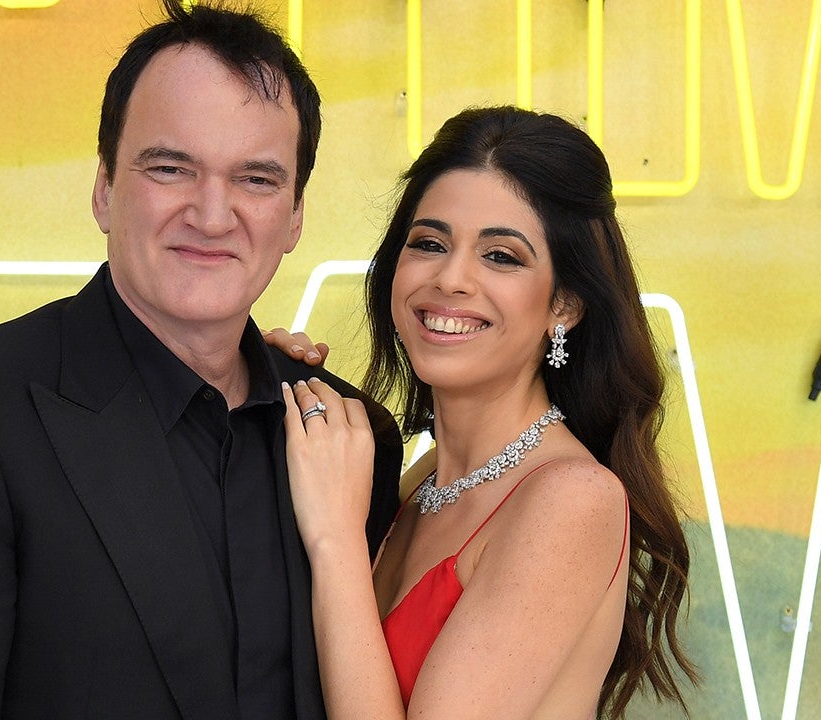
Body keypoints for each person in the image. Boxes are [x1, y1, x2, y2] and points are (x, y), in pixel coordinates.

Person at [0, 2, 401, 718]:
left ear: (295, 215)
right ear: (103, 189)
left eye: (256, 179)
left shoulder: (350, 437)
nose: (212, 215)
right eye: (171, 168)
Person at [269, 106, 697, 719]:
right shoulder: (421, 485)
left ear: (565, 304)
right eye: (429, 244)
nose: (451, 278)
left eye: (501, 256)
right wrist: (265, 385)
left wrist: (335, 537)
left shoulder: (572, 500)